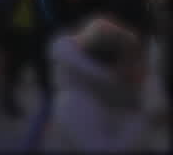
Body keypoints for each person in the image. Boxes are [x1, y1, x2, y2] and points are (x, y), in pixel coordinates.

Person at [39, 16, 166, 151]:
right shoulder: (75, 102)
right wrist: (143, 119)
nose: (138, 67)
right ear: (111, 65)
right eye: (131, 61)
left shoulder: (107, 87)